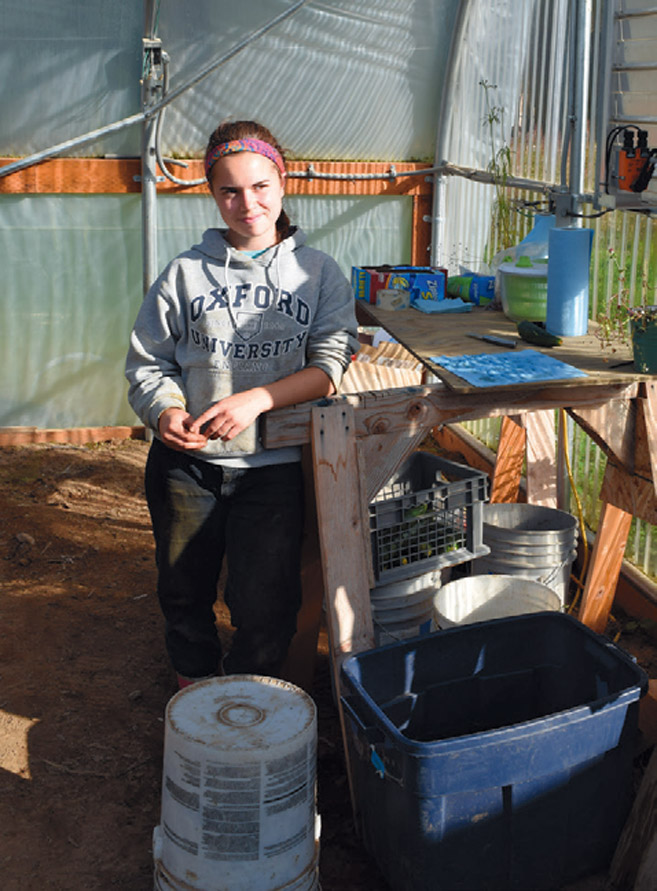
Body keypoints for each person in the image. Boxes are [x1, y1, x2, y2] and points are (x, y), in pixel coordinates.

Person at [125, 120, 359, 689]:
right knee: (183, 586)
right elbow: (148, 363)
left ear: (283, 184)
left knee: (266, 600)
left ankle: (249, 693)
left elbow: (330, 365)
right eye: (229, 190)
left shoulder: (318, 273)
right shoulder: (184, 273)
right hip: (187, 466)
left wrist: (259, 399)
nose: (247, 203)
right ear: (212, 193)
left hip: (272, 467)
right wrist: (165, 412)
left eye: (259, 186)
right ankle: (195, 685)